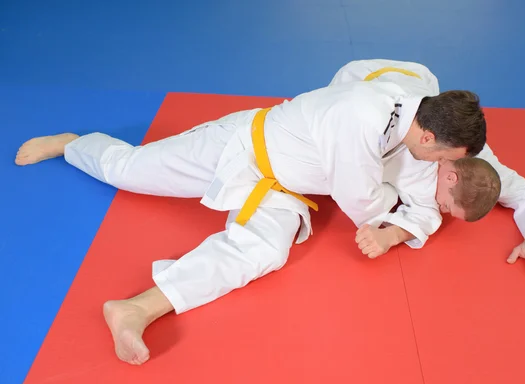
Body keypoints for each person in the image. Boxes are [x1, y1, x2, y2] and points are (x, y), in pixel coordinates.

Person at [14, 79, 499, 365]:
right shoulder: (361, 116)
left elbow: (428, 194)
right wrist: (387, 222)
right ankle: (72, 144)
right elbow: (358, 197)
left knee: (265, 252)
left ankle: (137, 309)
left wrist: (397, 227)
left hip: (284, 187)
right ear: (431, 135)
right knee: (129, 172)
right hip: (241, 148)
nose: (435, 166)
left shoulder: (423, 114)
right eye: (441, 158)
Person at [333, 59, 525, 284]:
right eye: (446, 207)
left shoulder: (477, 162)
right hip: (359, 80)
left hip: (418, 78)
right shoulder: (399, 136)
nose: (441, 211)